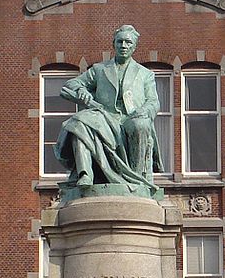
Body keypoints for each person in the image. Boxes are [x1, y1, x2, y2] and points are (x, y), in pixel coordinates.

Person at [54, 24, 163, 189]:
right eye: (120, 42)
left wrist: (144, 111)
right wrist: (82, 90)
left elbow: (153, 101)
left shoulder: (145, 74)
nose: (123, 46)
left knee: (140, 125)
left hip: (131, 118)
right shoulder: (100, 69)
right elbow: (72, 83)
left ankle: (136, 179)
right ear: (114, 44)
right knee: (79, 121)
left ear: (134, 46)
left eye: (128, 42)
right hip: (104, 117)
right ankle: (85, 174)